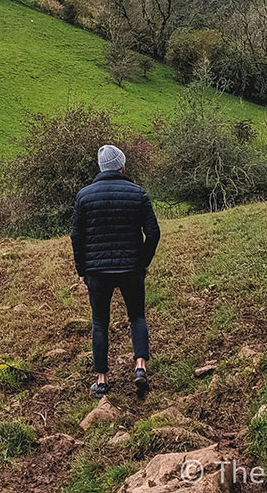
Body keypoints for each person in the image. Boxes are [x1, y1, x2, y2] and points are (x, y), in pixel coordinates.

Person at [71, 144, 161, 397]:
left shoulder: (84, 196)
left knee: (100, 323)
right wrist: (143, 261)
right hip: (131, 268)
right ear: (121, 165)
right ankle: (140, 367)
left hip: (97, 272)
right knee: (137, 317)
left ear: (101, 168)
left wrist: (82, 269)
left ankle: (101, 381)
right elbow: (153, 232)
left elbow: (76, 237)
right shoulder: (137, 193)